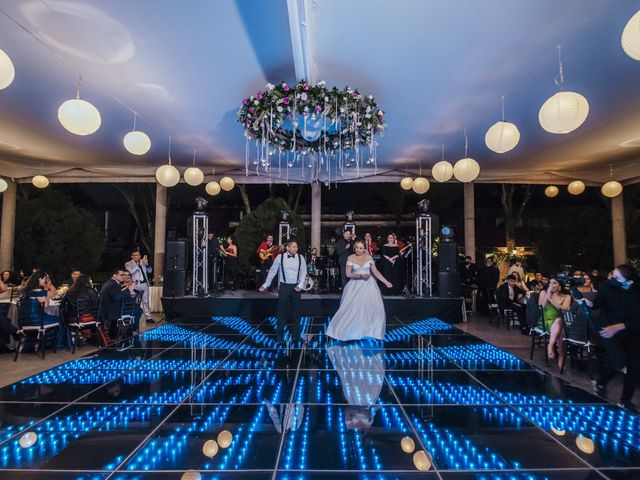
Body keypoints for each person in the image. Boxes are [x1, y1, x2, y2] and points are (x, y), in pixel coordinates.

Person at [578, 265, 640, 412]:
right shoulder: (608, 286)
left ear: (629, 282)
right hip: (607, 328)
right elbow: (599, 303)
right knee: (618, 362)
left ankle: (625, 401)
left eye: (617, 278)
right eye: (613, 275)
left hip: (630, 330)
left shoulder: (637, 292)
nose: (613, 279)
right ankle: (600, 382)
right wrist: (590, 303)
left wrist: (620, 326)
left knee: (634, 367)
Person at [326, 240, 392, 341]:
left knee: (371, 308)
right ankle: (351, 331)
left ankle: (370, 331)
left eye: (361, 248)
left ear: (364, 249)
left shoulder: (369, 258)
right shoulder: (351, 257)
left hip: (369, 286)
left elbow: (376, 272)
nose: (358, 250)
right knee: (351, 309)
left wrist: (385, 281)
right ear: (354, 248)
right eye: (357, 247)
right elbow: (348, 274)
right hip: (355, 286)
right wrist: (361, 275)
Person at [259, 239, 307, 345]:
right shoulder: (280, 258)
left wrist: (300, 285)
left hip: (296, 287)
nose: (296, 248)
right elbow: (272, 271)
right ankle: (279, 337)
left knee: (296, 313)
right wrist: (266, 284)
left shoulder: (301, 257)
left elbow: (304, 271)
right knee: (281, 312)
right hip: (284, 287)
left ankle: (297, 336)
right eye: (294, 246)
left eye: (297, 246)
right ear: (288, 247)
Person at [538, 277, 571, 367]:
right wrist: (548, 294)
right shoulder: (544, 292)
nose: (551, 285)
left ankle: (551, 345)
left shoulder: (566, 296)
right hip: (546, 321)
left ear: (560, 285)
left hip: (560, 321)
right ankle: (560, 355)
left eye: (554, 283)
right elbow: (541, 307)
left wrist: (551, 300)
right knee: (560, 330)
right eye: (550, 283)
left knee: (559, 323)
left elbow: (564, 309)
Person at [125, 250, 155, 324]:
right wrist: (138, 266)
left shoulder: (142, 262)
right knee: (135, 300)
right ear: (132, 256)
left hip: (144, 284)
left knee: (146, 301)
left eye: (138, 255)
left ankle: (148, 318)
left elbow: (150, 271)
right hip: (135, 284)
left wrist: (147, 264)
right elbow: (131, 272)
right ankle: (133, 316)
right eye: (135, 255)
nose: (137, 256)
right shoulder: (128, 263)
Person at [99, 269, 127, 337]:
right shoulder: (114, 284)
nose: (123, 277)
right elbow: (116, 297)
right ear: (114, 275)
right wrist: (128, 290)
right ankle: (120, 335)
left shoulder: (111, 282)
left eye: (124, 275)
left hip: (106, 310)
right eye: (121, 275)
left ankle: (116, 335)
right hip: (110, 312)